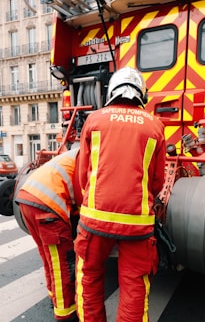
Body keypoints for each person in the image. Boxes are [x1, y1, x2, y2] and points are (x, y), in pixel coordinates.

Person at [75, 66, 166, 321]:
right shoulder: (155, 126)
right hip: (137, 224)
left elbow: (84, 174)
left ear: (112, 91)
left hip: (94, 219)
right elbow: (157, 181)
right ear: (141, 94)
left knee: (90, 278)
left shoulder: (94, 120)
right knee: (135, 284)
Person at [16, 148, 82, 322]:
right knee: (63, 263)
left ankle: (54, 295)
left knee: (48, 256)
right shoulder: (87, 158)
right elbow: (83, 196)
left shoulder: (74, 155)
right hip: (48, 207)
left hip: (26, 199)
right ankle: (65, 312)